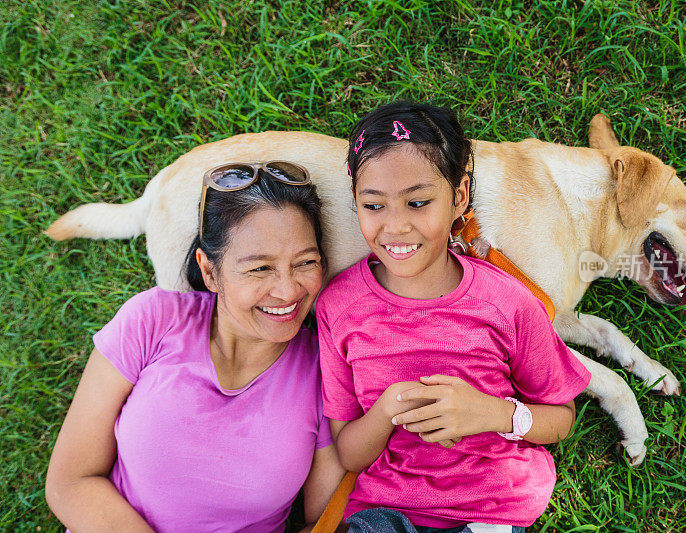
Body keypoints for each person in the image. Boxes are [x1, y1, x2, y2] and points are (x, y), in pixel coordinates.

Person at [317, 102, 592, 533]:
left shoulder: (507, 301)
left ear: (459, 196)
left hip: (490, 508)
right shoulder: (338, 307)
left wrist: (492, 414)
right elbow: (349, 454)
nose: (395, 228)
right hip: (383, 513)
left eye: (418, 202)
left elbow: (562, 419)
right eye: (373, 206)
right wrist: (388, 408)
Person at [46, 161, 344, 532]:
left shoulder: (329, 369)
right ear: (209, 271)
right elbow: (70, 481)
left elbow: (322, 523)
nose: (288, 290)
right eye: (259, 268)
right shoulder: (152, 319)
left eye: (305, 262)